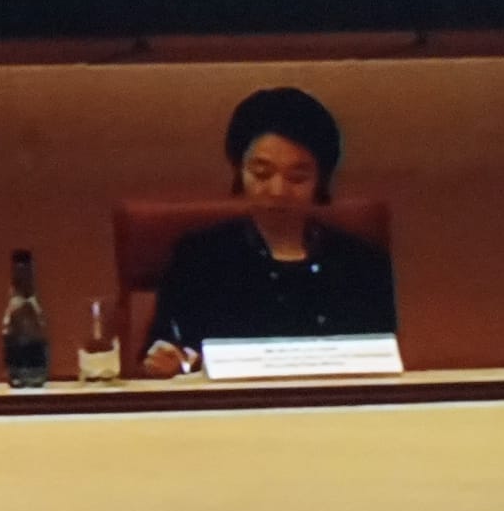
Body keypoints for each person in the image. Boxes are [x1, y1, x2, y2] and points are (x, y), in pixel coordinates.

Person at [138, 84, 397, 373]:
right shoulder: (200, 258)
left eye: (297, 177)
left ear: (321, 180)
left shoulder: (361, 264)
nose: (277, 191)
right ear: (239, 171)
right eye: (261, 173)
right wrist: (167, 361)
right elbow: (162, 352)